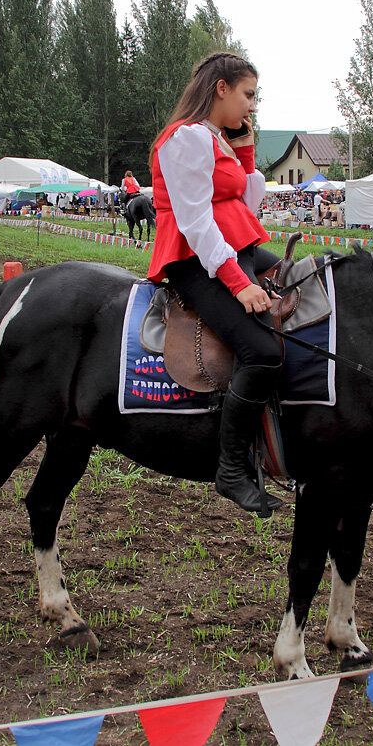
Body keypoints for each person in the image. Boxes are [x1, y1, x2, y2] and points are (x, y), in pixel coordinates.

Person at [146, 51, 282, 516]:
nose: (252, 106)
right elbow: (197, 223)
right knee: (261, 351)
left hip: (235, 244)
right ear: (220, 88)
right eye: (248, 95)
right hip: (196, 259)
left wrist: (243, 149)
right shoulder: (185, 139)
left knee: (302, 283)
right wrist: (239, 283)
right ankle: (230, 469)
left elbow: (247, 199)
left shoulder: (214, 138)